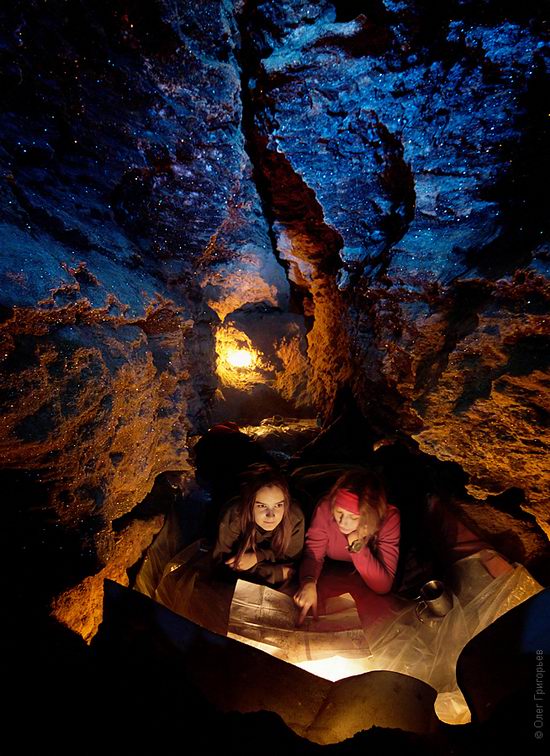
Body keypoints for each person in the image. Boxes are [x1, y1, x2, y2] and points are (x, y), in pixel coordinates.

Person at [293, 468, 400, 624]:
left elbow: (383, 585)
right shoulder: (325, 508)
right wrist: (308, 582)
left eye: (353, 517)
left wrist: (356, 544)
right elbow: (313, 553)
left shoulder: (388, 519)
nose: (343, 522)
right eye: (339, 512)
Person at [212, 463, 305, 586]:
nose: (271, 515)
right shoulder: (235, 516)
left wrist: (257, 556)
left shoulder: (294, 518)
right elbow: (221, 567)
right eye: (262, 506)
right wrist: (274, 573)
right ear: (250, 504)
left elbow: (294, 565)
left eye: (278, 505)